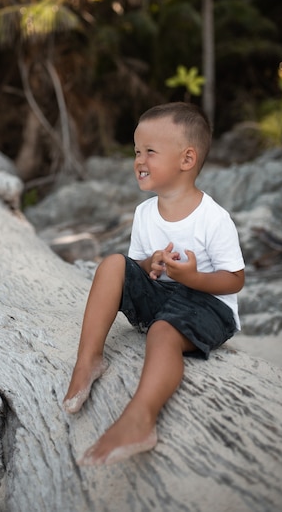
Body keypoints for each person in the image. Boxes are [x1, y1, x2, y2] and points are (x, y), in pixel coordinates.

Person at [63, 101, 245, 466]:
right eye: (136, 151)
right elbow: (138, 268)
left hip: (209, 305)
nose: (138, 160)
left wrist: (192, 278)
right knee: (113, 263)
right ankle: (88, 361)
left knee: (163, 332)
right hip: (165, 294)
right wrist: (151, 264)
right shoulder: (145, 213)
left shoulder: (213, 218)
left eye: (149, 151)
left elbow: (235, 280)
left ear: (186, 159)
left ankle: (140, 418)